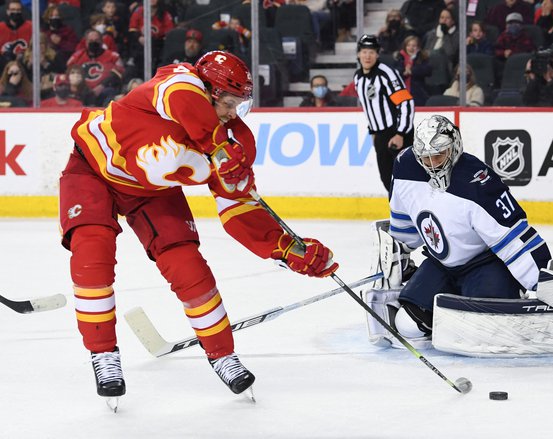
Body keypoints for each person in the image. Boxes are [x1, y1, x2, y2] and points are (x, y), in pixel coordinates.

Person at [59, 50, 338, 405]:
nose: (233, 112)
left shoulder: (235, 143)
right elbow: (182, 97)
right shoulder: (181, 82)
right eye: (229, 102)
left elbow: (239, 209)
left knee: (189, 268)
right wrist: (215, 145)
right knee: (92, 253)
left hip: (152, 193)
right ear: (209, 90)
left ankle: (223, 355)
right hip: (91, 171)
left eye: (241, 104)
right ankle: (104, 355)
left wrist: (287, 249)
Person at [365, 115, 553, 358]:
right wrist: (399, 255)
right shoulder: (405, 167)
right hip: (441, 265)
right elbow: (404, 222)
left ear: (454, 147)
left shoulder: (478, 182)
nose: (432, 165)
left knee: (489, 332)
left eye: (439, 156)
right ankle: (445, 318)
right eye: (426, 158)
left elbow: (514, 238)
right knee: (407, 326)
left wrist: (543, 283)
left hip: (485, 264)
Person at [353, 34, 415, 192]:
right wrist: (374, 133)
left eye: (372, 52)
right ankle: (400, 216)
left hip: (397, 134)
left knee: (408, 180)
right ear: (358, 53)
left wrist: (401, 134)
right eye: (364, 51)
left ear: (378, 54)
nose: (368, 56)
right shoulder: (358, 77)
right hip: (380, 136)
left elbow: (405, 103)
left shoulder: (386, 74)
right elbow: (370, 108)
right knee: (388, 180)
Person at [66, 29, 124, 105]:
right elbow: (68, 71)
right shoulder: (77, 56)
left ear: (102, 41)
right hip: (82, 91)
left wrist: (102, 85)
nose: (93, 42)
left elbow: (119, 74)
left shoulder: (113, 56)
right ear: (86, 42)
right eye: (91, 40)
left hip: (104, 92)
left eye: (97, 40)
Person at [393, 35, 431, 106]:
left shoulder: (422, 57)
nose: (411, 48)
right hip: (400, 93)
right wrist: (404, 72)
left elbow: (428, 70)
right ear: (405, 46)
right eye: (408, 45)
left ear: (418, 47)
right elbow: (394, 71)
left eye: (414, 46)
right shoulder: (399, 57)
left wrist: (412, 71)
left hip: (418, 93)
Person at [0, 0, 32, 71]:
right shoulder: (1, 27)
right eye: (13, 10)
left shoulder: (30, 26)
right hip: (3, 66)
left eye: (18, 10)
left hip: (24, 66)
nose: (15, 12)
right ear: (7, 11)